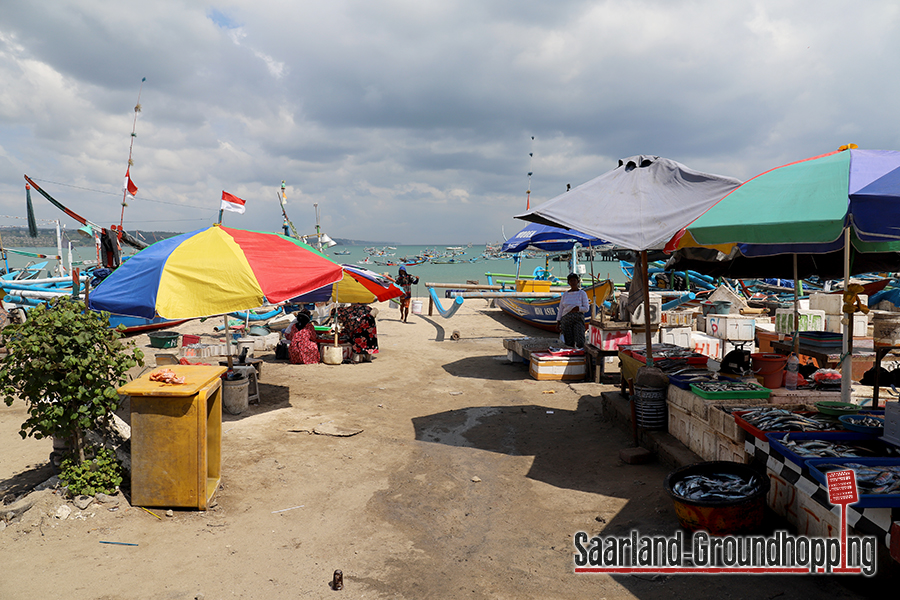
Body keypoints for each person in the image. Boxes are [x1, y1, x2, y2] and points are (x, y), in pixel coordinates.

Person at [557, 273, 589, 347]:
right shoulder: (565, 295)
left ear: (578, 281)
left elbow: (586, 308)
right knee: (568, 342)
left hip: (578, 319)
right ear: (569, 283)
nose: (573, 282)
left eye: (574, 280)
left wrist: (577, 309)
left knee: (580, 341)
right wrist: (558, 322)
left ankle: (580, 354)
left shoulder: (582, 293)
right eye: (571, 281)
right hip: (566, 320)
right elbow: (561, 309)